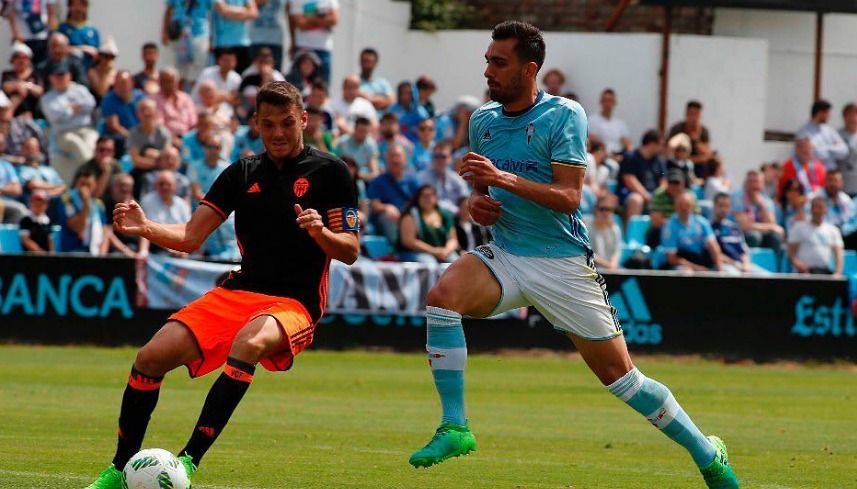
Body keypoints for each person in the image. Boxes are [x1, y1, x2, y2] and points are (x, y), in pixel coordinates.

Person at [407, 21, 739, 489]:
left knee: (623, 381)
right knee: (443, 296)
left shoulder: (565, 115)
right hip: (506, 253)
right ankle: (455, 426)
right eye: (487, 60)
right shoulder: (481, 120)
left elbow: (569, 198)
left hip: (562, 264)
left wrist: (503, 180)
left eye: (499, 63)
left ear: (530, 69)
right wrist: (476, 203)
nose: (488, 71)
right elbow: (483, 197)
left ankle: (708, 455)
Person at [84, 81, 359, 489]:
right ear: (255, 125)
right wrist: (145, 227)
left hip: (294, 303)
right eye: (268, 125)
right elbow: (191, 237)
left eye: (287, 123)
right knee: (150, 357)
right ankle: (119, 468)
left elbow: (350, 250)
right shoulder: (241, 172)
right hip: (237, 293)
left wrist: (321, 233)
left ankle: (187, 462)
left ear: (303, 119)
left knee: (247, 345)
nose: (278, 133)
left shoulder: (332, 172)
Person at [40, 61, 98, 183]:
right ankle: (94, 172)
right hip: (64, 134)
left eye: (63, 74)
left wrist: (67, 109)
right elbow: (55, 117)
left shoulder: (80, 89)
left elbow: (91, 104)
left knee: (92, 143)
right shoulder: (47, 98)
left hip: (86, 129)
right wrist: (75, 109)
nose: (60, 78)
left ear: (69, 75)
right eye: (57, 76)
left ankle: (90, 174)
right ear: (51, 78)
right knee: (75, 144)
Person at [367, 144, 419, 244]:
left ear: (405, 159)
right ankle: (395, 249)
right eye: (392, 156)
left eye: (398, 156)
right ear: (386, 159)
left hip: (408, 217)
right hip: (389, 218)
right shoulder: (378, 181)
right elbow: (374, 205)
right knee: (387, 216)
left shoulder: (413, 180)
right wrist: (386, 207)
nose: (395, 160)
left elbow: (419, 202)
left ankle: (415, 242)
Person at [662, 192, 723, 272]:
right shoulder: (669, 227)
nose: (684, 208)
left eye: (687, 205)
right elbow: (672, 258)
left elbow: (713, 247)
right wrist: (697, 268)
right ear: (676, 207)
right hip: (682, 264)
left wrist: (720, 270)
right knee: (686, 273)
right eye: (681, 205)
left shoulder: (702, 222)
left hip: (701, 260)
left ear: (692, 206)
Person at [398, 184, 458, 263]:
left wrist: (446, 251)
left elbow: (453, 239)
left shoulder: (444, 215)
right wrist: (433, 251)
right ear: (418, 198)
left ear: (435, 198)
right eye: (424, 196)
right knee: (430, 263)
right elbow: (409, 241)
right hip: (414, 253)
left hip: (442, 252)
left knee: (456, 262)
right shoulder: (411, 215)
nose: (427, 199)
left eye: (430, 196)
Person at [56, 169, 111, 255]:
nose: (85, 188)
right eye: (82, 184)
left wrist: (102, 255)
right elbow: (78, 227)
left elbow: (104, 231)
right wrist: (86, 204)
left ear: (94, 185)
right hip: (72, 252)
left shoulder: (98, 204)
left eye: (88, 185)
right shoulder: (67, 201)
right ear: (76, 184)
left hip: (94, 251)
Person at [616, 129, 666, 222]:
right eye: (660, 144)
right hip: (631, 194)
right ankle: (631, 234)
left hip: (653, 196)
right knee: (636, 200)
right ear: (651, 144)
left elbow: (663, 181)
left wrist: (659, 197)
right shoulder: (630, 157)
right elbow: (629, 180)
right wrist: (647, 196)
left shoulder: (659, 161)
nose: (662, 148)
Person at [162, 0, 213, 89]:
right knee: (180, 72)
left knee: (198, 72)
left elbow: (212, 14)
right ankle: (178, 99)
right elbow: (168, 10)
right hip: (179, 35)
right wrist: (165, 32)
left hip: (200, 34)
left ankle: (195, 99)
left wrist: (212, 38)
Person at [127, 99, 173, 198]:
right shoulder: (133, 134)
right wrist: (158, 159)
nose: (146, 113)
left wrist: (154, 157)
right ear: (138, 114)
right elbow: (136, 161)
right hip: (140, 173)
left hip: (161, 171)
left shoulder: (163, 133)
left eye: (149, 110)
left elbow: (167, 159)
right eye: (143, 110)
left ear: (155, 113)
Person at [788, 196, 843, 276]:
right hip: (803, 273)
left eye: (820, 207)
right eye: (814, 207)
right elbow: (791, 253)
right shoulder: (799, 227)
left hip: (824, 272)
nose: (816, 210)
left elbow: (838, 253)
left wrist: (837, 273)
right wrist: (798, 264)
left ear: (825, 210)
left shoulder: (833, 230)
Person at [288, 0, 339, 85]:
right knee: (298, 85)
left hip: (324, 49)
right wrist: (323, 18)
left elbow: (334, 19)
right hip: (303, 48)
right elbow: (301, 23)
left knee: (322, 86)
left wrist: (308, 18)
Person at [732, 170, 784, 250]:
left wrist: (762, 205)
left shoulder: (766, 201)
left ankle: (773, 262)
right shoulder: (737, 198)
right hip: (739, 234)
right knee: (754, 236)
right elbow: (744, 226)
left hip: (760, 232)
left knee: (775, 238)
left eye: (757, 182)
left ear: (762, 184)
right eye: (751, 182)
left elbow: (771, 222)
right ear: (745, 183)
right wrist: (770, 227)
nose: (754, 185)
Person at [418, 139, 469, 214]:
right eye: (436, 156)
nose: (439, 160)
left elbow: (466, 200)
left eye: (443, 157)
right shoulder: (422, 178)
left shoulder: (457, 179)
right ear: (432, 158)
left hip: (456, 218)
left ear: (450, 158)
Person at [101, 71, 145, 155]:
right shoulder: (108, 99)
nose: (121, 86)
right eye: (118, 83)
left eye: (124, 83)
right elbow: (114, 126)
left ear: (132, 83)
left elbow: (147, 118)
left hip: (139, 135)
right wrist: (133, 137)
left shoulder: (140, 97)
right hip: (120, 138)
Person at [811, 169, 857, 250]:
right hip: (822, 234)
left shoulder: (846, 200)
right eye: (830, 180)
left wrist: (842, 230)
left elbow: (852, 221)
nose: (832, 184)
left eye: (836, 181)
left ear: (841, 183)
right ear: (825, 182)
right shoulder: (815, 198)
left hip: (842, 234)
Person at [796, 99, 848, 170]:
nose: (830, 116)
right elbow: (814, 154)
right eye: (828, 113)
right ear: (820, 113)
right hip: (814, 173)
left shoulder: (830, 130)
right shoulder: (803, 132)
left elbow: (844, 151)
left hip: (832, 173)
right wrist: (834, 148)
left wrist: (825, 148)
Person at [4, 0, 58, 65]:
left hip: (42, 35)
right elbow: (10, 13)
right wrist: (16, 33)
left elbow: (51, 11)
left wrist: (52, 31)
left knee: (42, 64)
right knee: (23, 64)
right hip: (23, 37)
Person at [711, 193, 754, 274]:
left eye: (727, 206)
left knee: (767, 277)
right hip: (725, 266)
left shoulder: (734, 227)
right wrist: (735, 265)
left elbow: (744, 251)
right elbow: (715, 254)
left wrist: (746, 265)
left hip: (742, 265)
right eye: (720, 205)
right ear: (714, 206)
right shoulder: (709, 228)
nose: (723, 209)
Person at [211, 0, 258, 74]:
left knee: (242, 79)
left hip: (243, 44)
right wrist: (245, 11)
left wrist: (230, 13)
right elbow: (223, 11)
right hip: (222, 44)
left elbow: (254, 13)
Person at [669, 100, 712, 175]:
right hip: (678, 165)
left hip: (698, 166)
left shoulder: (703, 131)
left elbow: (707, 154)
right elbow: (669, 149)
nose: (694, 118)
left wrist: (696, 141)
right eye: (692, 114)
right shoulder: (677, 129)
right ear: (686, 114)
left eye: (697, 115)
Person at [1, 41, 44, 118]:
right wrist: (18, 86)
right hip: (13, 113)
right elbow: (5, 87)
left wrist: (27, 86)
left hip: (33, 114)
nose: (21, 61)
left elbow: (39, 90)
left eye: (24, 58)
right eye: (17, 57)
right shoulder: (7, 74)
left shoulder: (35, 74)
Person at [153, 67, 197, 139]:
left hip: (187, 137)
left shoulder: (186, 98)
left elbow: (193, 122)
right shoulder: (154, 100)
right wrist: (173, 139)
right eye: (165, 81)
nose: (168, 85)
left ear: (177, 82)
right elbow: (159, 126)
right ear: (159, 82)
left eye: (171, 81)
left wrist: (188, 139)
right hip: (166, 139)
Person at [587, 88, 632, 156]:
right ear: (601, 102)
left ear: (615, 103)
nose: (608, 104)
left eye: (610, 101)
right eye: (605, 101)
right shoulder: (592, 121)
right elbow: (591, 140)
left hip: (620, 155)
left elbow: (627, 143)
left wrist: (631, 151)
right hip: (602, 155)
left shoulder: (620, 124)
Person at [58, 0, 100, 68]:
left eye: (81, 5)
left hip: (87, 72)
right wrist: (82, 49)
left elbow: (97, 55)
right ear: (69, 7)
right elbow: (58, 50)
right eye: (74, 5)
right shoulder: (62, 28)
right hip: (67, 71)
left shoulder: (93, 30)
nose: (78, 8)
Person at [335, 117, 379, 181]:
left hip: (361, 177)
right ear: (355, 129)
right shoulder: (343, 142)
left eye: (366, 131)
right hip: (342, 175)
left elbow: (375, 172)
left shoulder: (371, 145)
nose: (363, 134)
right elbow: (336, 162)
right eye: (361, 130)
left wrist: (359, 176)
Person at [249, 0, 286, 71]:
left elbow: (289, 12)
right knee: (254, 74)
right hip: (256, 39)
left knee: (276, 76)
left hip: (276, 40)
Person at [589, 194, 622, 270]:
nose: (605, 212)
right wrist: (608, 265)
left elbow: (616, 252)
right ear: (595, 210)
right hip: (591, 271)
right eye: (602, 209)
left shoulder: (615, 229)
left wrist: (613, 265)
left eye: (608, 209)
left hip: (610, 271)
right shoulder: (587, 227)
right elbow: (586, 253)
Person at [358, 47, 393, 112]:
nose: (366, 65)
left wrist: (367, 98)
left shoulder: (383, 83)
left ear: (376, 63)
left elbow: (391, 100)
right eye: (364, 61)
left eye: (369, 62)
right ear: (360, 61)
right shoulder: (354, 82)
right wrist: (380, 99)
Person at [87, 37, 120, 103]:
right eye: (106, 57)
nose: (109, 60)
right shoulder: (92, 72)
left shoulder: (116, 74)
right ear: (100, 56)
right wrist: (104, 73)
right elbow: (101, 92)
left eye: (112, 57)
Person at [0, 149, 27, 224]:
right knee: (17, 210)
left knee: (22, 211)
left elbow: (17, 189)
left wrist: (1, 189)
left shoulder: (5, 164)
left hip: (5, 201)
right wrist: (7, 187)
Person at [837, 103, 857, 196]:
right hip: (841, 188)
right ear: (844, 117)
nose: (853, 119)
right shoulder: (836, 135)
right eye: (850, 115)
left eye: (855, 115)